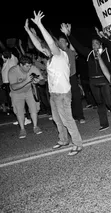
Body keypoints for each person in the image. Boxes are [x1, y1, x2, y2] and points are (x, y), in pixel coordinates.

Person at [25, 11, 83, 156]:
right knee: (57, 120)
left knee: (67, 119)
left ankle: (77, 143)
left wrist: (40, 25)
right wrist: (28, 31)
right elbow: (39, 45)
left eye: (48, 47)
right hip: (54, 94)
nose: (44, 49)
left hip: (63, 94)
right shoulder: (50, 58)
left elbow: (49, 42)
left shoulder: (60, 55)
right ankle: (63, 140)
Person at [61, 23, 111, 131]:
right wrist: (68, 34)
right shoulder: (89, 53)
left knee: (109, 103)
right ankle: (104, 123)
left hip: (105, 82)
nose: (94, 45)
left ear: (100, 44)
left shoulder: (107, 52)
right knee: (100, 103)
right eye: (93, 44)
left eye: (96, 43)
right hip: (94, 83)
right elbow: (77, 46)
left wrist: (102, 37)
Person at [8, 55, 44, 138]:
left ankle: (35, 126)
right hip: (16, 93)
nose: (29, 67)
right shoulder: (13, 71)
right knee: (19, 111)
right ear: (21, 65)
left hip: (29, 91)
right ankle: (22, 129)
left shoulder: (33, 68)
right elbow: (14, 87)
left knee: (34, 108)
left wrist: (38, 81)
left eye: (30, 65)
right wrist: (27, 81)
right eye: (27, 66)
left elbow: (42, 82)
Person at [57, 35, 85, 124]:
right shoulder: (58, 54)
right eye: (59, 41)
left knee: (76, 97)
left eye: (62, 41)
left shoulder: (71, 52)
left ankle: (80, 116)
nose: (61, 43)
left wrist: (68, 34)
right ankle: (72, 116)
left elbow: (74, 45)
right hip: (62, 78)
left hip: (72, 77)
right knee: (67, 98)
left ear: (67, 43)